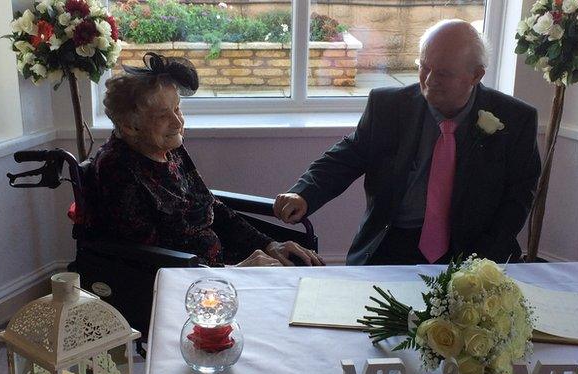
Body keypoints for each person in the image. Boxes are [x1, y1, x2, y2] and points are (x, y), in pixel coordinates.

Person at [273, 19, 540, 265]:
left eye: (444, 73)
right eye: (424, 66)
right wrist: (304, 193)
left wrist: (480, 263)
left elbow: (517, 199)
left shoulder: (515, 120)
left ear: (476, 75)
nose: (429, 80)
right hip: (391, 243)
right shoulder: (389, 107)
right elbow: (346, 157)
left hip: (472, 248)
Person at [89, 52, 324, 268]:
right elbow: (149, 260)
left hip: (216, 267)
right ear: (130, 126)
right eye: (163, 115)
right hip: (186, 285)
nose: (177, 122)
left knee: (301, 264)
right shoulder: (117, 169)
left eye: (177, 109)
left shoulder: (168, 149)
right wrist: (236, 272)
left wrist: (269, 245)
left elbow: (211, 206)